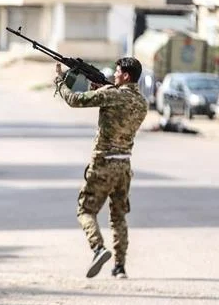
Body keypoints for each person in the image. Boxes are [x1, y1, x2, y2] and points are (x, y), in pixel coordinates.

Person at [53, 58, 148, 279]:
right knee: (118, 216)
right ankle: (120, 266)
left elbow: (75, 100)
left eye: (117, 72)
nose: (114, 75)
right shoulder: (142, 102)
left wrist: (60, 81)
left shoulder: (112, 95)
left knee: (85, 210)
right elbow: (119, 105)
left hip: (103, 162)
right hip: (124, 164)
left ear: (125, 76)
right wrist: (102, 89)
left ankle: (98, 248)